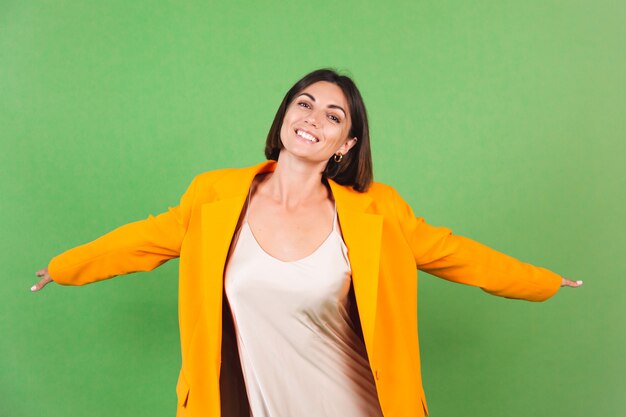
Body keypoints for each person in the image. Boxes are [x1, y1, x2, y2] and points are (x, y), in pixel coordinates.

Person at [31, 68, 583, 417]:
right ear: (286, 115)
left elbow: (455, 254)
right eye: (305, 103)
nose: (314, 117)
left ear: (346, 143)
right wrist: (65, 266)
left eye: (333, 115)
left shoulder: (374, 212)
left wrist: (543, 282)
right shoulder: (217, 197)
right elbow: (145, 239)